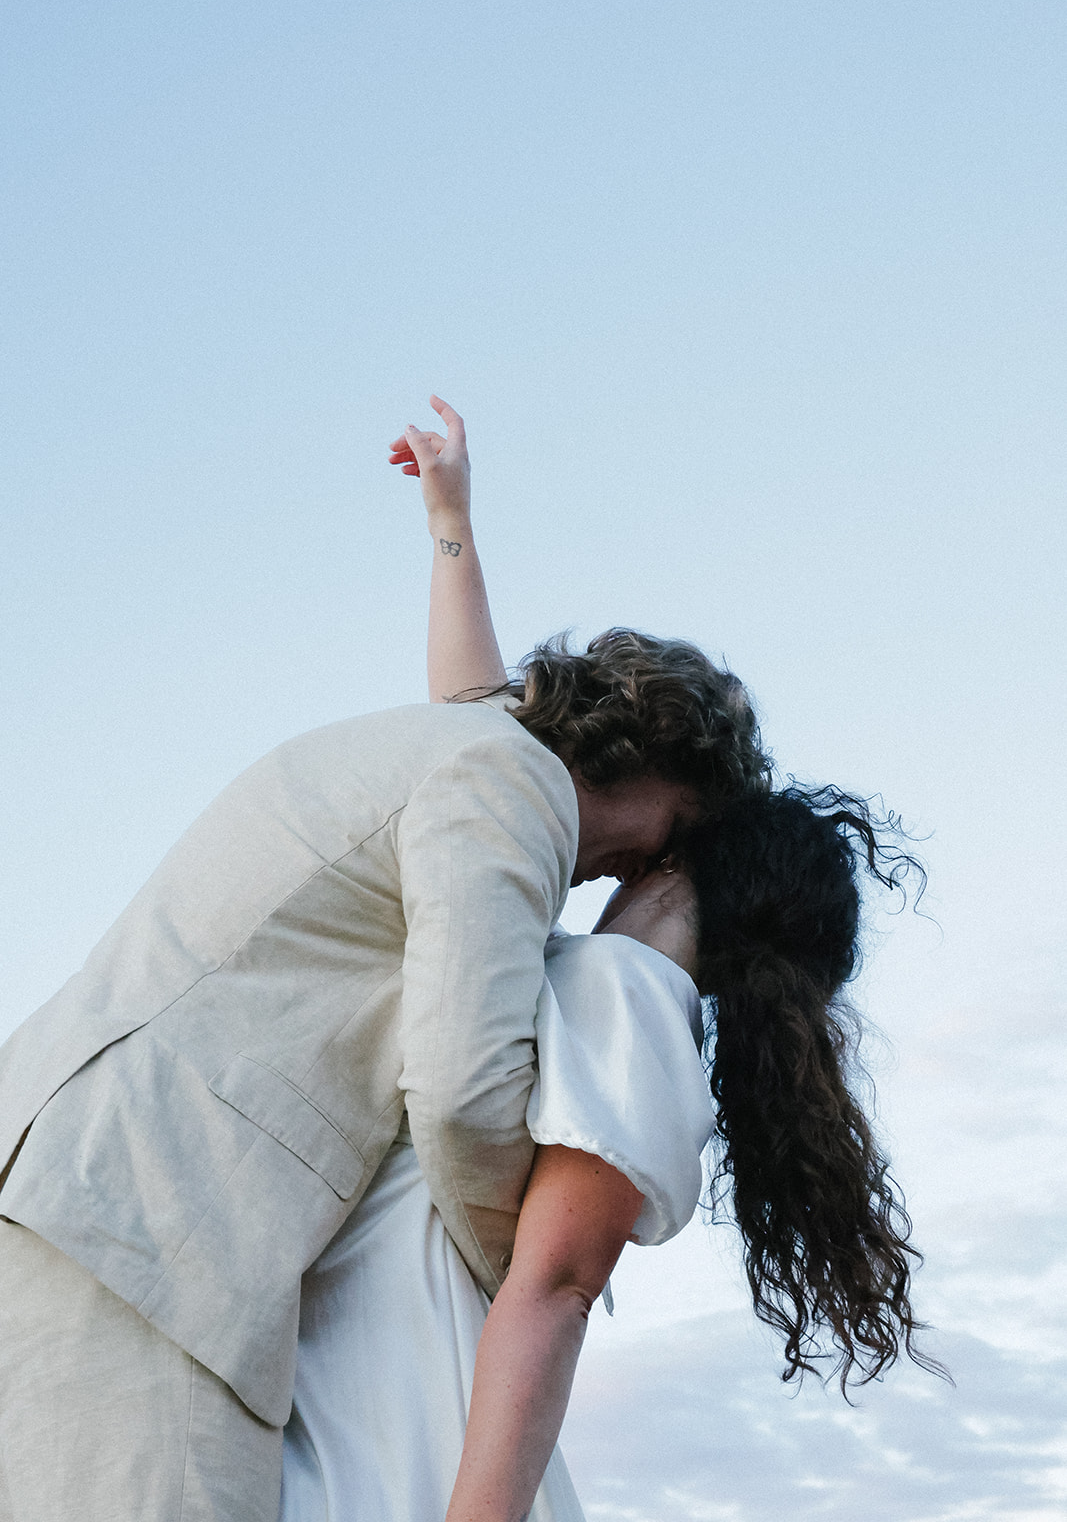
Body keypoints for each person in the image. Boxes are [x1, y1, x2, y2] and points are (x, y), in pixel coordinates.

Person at [0, 411, 770, 1521]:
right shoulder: (512, 791)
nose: (634, 871)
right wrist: (526, 1276)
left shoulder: (470, 757)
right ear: (654, 765)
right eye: (672, 831)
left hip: (74, 1197)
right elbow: (462, 1091)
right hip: (153, 1244)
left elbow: (470, 696)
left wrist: (450, 527)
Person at [270, 401, 941, 1522]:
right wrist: (452, 527)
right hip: (380, 1403)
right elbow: (479, 732)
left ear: (692, 863)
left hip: (407, 1443)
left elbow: (560, 1282)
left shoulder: (631, 1002)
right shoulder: (582, 971)